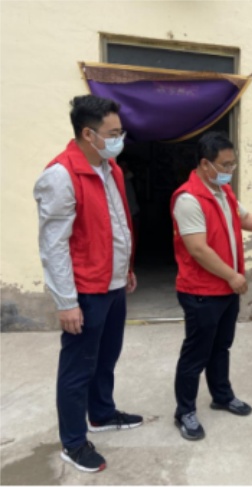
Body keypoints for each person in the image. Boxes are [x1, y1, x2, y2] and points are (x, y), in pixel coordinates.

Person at [33, 95, 141, 473]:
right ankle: (74, 442)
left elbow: (116, 224)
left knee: (107, 356)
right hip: (86, 290)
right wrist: (66, 302)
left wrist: (126, 267)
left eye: (120, 132)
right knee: (78, 367)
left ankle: (102, 413)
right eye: (112, 133)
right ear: (87, 134)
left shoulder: (109, 168)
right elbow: (54, 246)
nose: (119, 139)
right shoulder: (61, 176)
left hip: (113, 283)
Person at [171, 131, 252, 441]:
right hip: (201, 291)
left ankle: (221, 396)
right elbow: (198, 249)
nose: (230, 170)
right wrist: (232, 276)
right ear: (205, 164)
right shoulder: (188, 199)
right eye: (225, 165)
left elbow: (245, 219)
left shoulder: (223, 192)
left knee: (221, 347)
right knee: (196, 353)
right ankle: (184, 411)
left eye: (233, 164)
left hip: (225, 290)